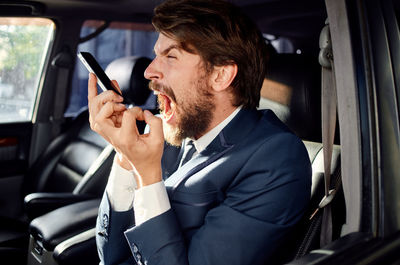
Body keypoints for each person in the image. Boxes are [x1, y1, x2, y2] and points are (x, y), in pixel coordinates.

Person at [88, 0, 311, 264]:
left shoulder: (277, 159)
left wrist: (146, 175)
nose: (149, 70)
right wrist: (126, 159)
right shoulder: (172, 128)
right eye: (157, 55)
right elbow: (110, 255)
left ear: (221, 76)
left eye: (170, 57)